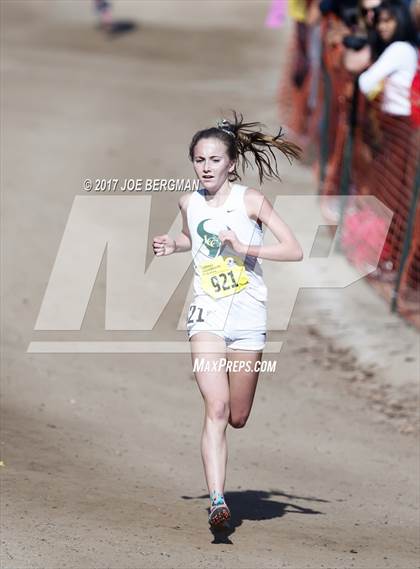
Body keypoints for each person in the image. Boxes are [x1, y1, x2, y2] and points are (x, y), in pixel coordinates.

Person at [152, 113, 303, 528]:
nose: (206, 166)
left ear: (231, 163)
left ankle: (221, 488)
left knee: (238, 415)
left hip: (249, 316)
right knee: (215, 408)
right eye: (199, 159)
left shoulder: (250, 201)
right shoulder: (189, 201)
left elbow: (293, 250)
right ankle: (218, 502)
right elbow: (194, 237)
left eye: (215, 160)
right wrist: (175, 243)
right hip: (206, 315)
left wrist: (245, 249)